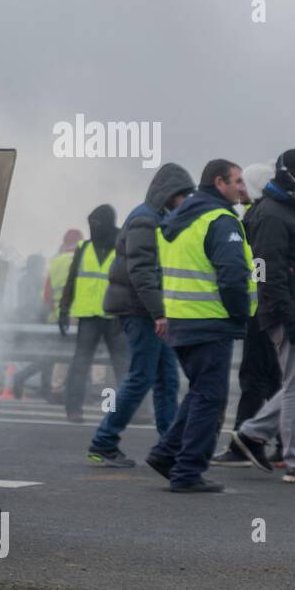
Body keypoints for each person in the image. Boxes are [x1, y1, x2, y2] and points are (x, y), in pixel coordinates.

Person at [145, 159, 253, 492]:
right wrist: (239, 315)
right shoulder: (220, 220)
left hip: (182, 321)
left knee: (200, 394)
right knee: (210, 399)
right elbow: (233, 276)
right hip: (211, 322)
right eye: (237, 181)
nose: (242, 188)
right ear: (219, 182)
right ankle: (188, 472)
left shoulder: (178, 219)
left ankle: (166, 454)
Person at [86, 163, 192, 466]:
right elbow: (142, 271)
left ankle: (169, 448)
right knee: (142, 376)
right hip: (140, 311)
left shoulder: (157, 217)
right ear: (169, 193)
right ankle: (103, 442)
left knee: (167, 379)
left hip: (147, 310)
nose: (186, 200)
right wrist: (159, 312)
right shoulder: (145, 219)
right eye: (182, 194)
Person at [229, 151, 295, 483]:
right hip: (290, 313)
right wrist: (288, 317)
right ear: (286, 174)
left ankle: (251, 433)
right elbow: (267, 272)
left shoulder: (289, 210)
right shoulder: (273, 215)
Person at [213, 161, 282, 466]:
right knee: (277, 379)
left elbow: (260, 268)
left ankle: (245, 444)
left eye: (244, 183)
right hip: (272, 309)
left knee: (254, 378)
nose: (239, 188)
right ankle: (283, 444)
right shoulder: (274, 213)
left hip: (262, 310)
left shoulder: (258, 217)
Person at [59, 205, 128, 422]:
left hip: (115, 315)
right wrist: (64, 309)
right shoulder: (84, 247)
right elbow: (71, 280)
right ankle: (73, 410)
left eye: (97, 224)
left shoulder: (122, 246)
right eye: (91, 224)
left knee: (123, 365)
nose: (93, 228)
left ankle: (132, 410)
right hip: (88, 315)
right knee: (80, 365)